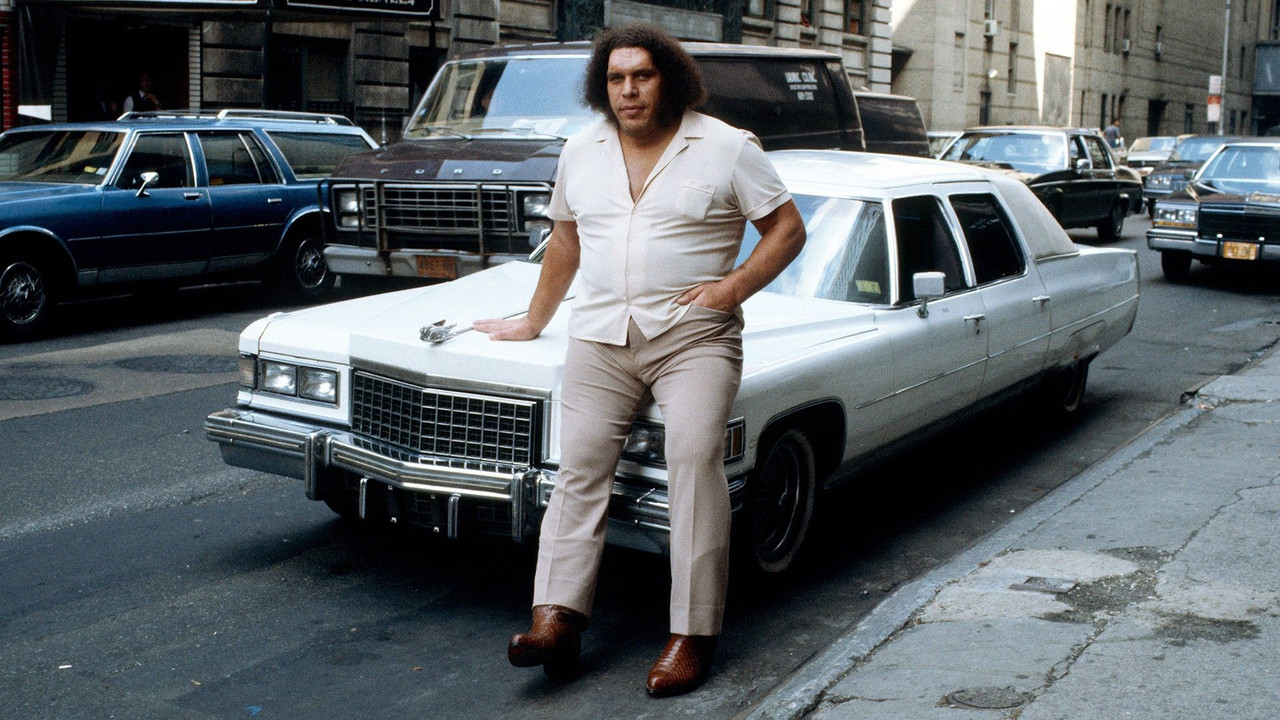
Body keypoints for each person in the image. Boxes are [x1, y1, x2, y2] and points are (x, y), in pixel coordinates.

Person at [474, 24, 805, 698]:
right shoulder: (581, 150)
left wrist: (732, 289)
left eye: (642, 76)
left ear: (669, 79)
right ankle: (556, 618)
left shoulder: (727, 147)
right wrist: (534, 321)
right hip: (601, 336)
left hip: (694, 337)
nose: (628, 90)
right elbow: (566, 241)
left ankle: (693, 633)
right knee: (579, 465)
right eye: (616, 78)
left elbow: (787, 229)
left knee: (693, 457)